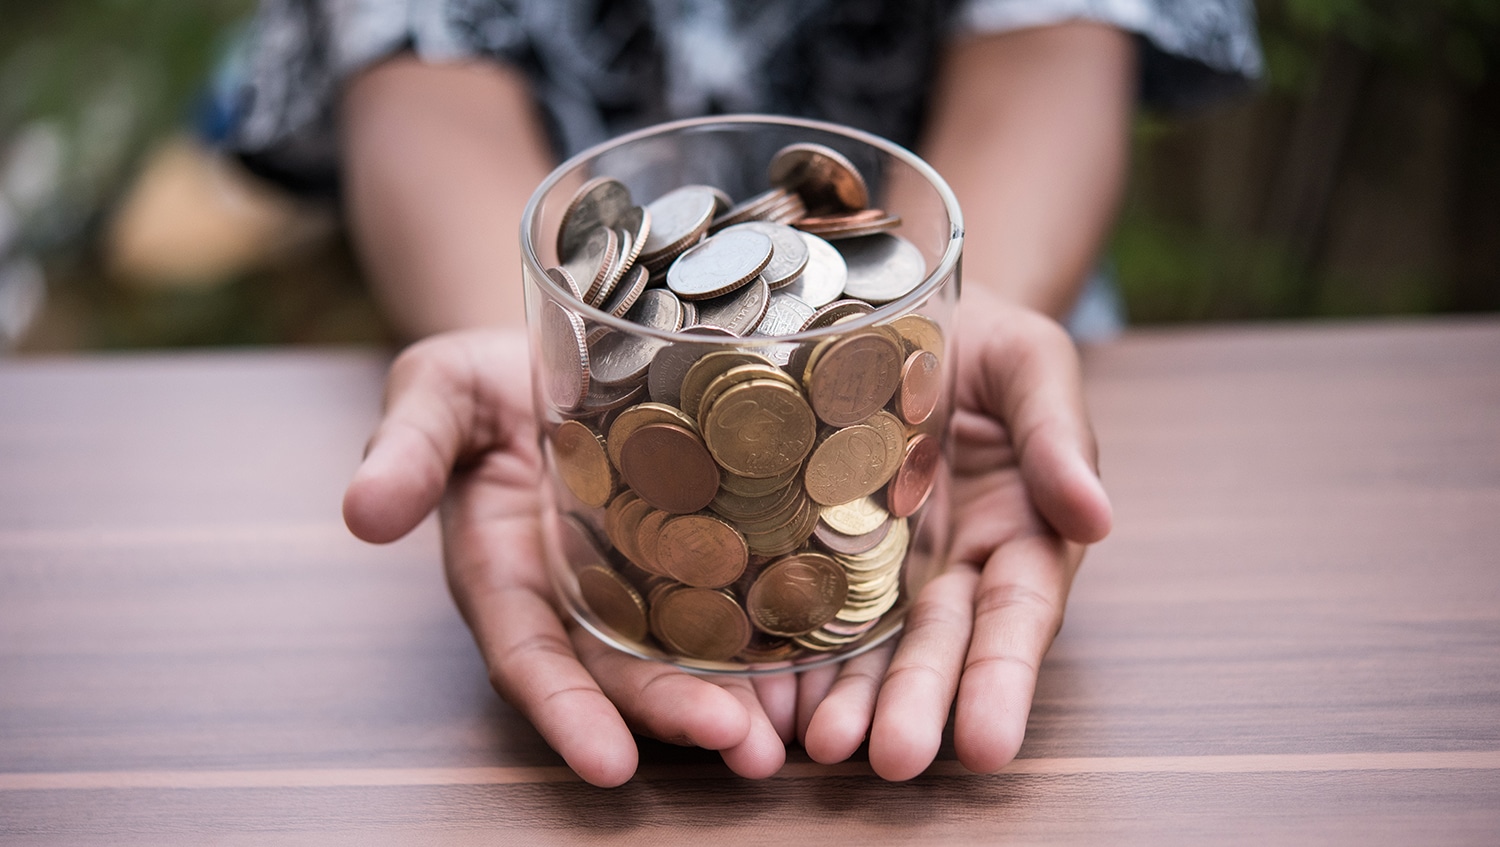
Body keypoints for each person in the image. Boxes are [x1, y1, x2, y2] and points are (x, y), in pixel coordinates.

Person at [229, 0, 1261, 786]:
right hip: (550, 306)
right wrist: (532, 345)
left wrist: (950, 322)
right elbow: (418, 59)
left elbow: (1054, 39)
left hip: (982, 257)